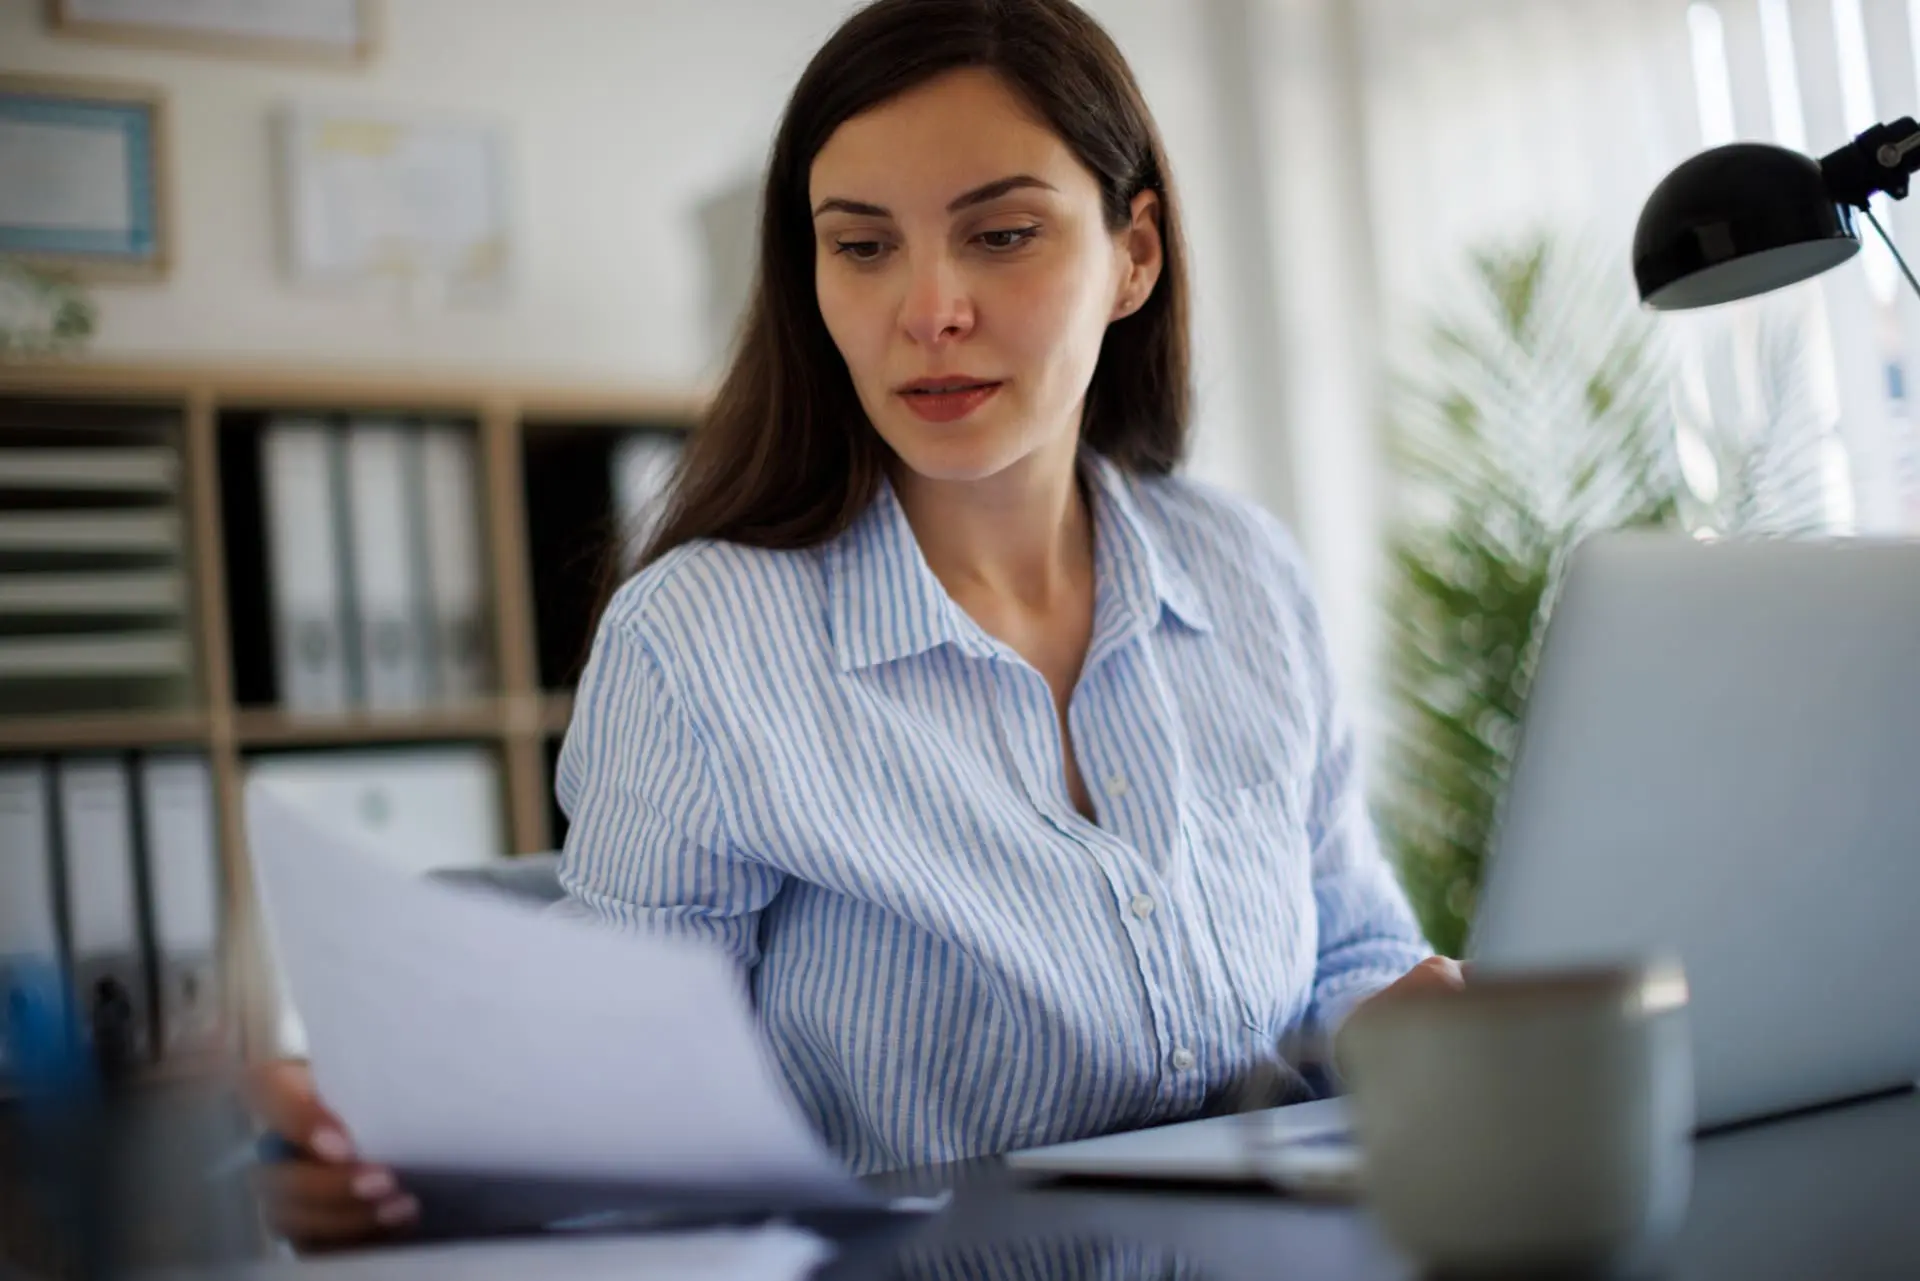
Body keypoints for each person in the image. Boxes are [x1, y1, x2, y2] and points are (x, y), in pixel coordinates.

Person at [247, 0, 1459, 1249]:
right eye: (863, 247)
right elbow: (616, 1110)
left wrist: (1421, 1017)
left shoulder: (1244, 571)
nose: (929, 308)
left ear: (1132, 254)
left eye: (1001, 234)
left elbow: (1351, 940)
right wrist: (411, 1167)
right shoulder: (704, 645)